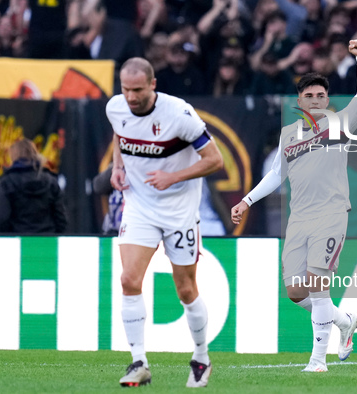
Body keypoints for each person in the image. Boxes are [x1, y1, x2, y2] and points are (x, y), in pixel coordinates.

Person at [231, 39, 357, 372]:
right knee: (296, 292)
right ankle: (345, 321)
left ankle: (317, 361)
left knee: (318, 285)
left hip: (332, 214)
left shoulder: (339, 124)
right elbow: (276, 175)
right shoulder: (287, 134)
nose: (315, 100)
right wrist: (246, 199)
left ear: (327, 100)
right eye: (308, 95)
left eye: (320, 95)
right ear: (299, 101)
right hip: (299, 219)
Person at [107, 57, 223, 387]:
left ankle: (201, 358)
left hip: (179, 212)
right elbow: (120, 134)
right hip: (140, 207)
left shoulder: (179, 115)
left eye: (138, 90)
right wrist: (118, 166)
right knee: (129, 280)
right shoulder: (115, 108)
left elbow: (215, 160)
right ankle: (138, 363)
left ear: (153, 85)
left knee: (186, 289)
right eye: (126, 89)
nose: (130, 97)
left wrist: (173, 177)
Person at [0, 139, 67, 233]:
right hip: (47, 241)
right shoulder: (51, 182)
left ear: (13, 156)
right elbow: (61, 218)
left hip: (18, 242)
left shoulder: (7, 182)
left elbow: (1, 219)